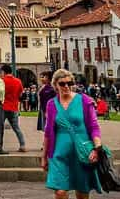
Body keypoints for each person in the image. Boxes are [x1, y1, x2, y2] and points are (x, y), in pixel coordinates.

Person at [43, 69, 103, 198]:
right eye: (62, 84)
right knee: (60, 192)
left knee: (82, 193)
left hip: (81, 152)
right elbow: (48, 132)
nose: (66, 86)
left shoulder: (85, 101)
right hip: (59, 154)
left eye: (69, 83)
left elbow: (94, 127)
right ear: (55, 85)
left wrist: (97, 148)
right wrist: (44, 156)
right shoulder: (51, 104)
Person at [1, 65, 26, 152]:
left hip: (3, 106)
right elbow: (20, 94)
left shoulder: (2, 81)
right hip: (14, 107)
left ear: (4, 72)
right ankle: (22, 145)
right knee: (16, 128)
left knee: (0, 127)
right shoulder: (18, 81)